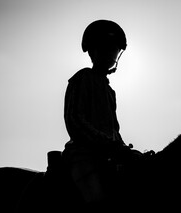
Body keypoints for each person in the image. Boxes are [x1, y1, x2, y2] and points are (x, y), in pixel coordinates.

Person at [62, 20, 150, 203]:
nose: (111, 54)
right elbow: (75, 121)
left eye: (114, 50)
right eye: (107, 49)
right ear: (93, 51)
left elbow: (113, 131)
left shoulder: (110, 91)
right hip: (83, 156)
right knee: (100, 204)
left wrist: (125, 150)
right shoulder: (82, 78)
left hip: (108, 157)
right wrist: (111, 145)